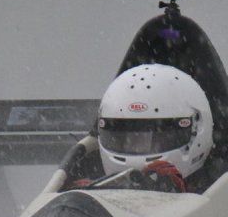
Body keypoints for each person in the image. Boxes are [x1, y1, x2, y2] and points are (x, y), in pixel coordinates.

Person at [85, 63, 215, 193]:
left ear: (197, 128)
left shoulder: (220, 198)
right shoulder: (88, 191)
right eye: (122, 139)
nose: (136, 148)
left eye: (158, 139)